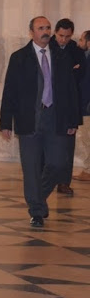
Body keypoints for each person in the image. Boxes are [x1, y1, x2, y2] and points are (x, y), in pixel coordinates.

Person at [0, 16, 79, 228]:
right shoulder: (19, 58)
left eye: (47, 28)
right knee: (31, 167)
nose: (45, 31)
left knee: (58, 162)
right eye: (40, 28)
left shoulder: (61, 57)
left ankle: (38, 196)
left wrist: (73, 120)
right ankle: (36, 210)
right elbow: (10, 91)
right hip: (29, 120)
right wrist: (5, 122)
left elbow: (71, 90)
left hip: (55, 119)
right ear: (31, 32)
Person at [49, 18, 85, 195]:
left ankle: (64, 182)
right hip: (50, 103)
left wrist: (70, 72)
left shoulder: (76, 51)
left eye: (67, 36)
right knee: (48, 144)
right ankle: (46, 179)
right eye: (61, 35)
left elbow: (80, 74)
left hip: (70, 104)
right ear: (55, 32)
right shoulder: (47, 47)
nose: (63, 40)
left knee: (67, 146)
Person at [73, 30, 90, 181]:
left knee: (87, 138)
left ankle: (88, 170)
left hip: (87, 106)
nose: (79, 43)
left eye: (81, 40)